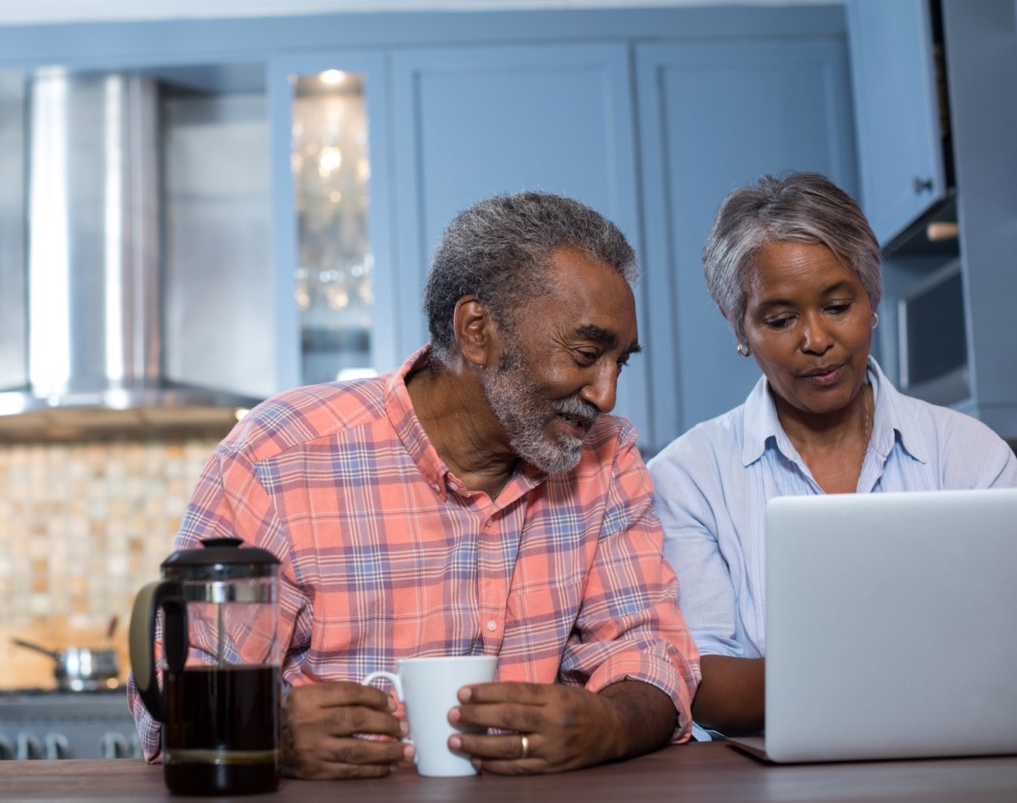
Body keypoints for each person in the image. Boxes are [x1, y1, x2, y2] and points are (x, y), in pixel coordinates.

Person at [128, 191, 700, 778]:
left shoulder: (605, 456)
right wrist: (262, 731)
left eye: (620, 363)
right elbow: (172, 691)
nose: (606, 395)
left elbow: (653, 655)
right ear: (477, 330)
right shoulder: (279, 455)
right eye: (585, 354)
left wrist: (607, 726)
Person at [648, 172, 1017, 740]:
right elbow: (704, 683)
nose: (816, 339)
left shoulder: (972, 456)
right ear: (739, 328)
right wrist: (911, 674)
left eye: (839, 305)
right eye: (779, 319)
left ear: (873, 300)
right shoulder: (687, 478)